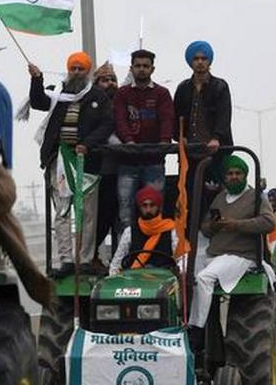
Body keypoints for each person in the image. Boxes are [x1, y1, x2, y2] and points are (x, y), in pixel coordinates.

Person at [23, 52, 114, 276]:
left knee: (87, 213)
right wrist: (37, 80)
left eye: (80, 69)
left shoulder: (97, 97)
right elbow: (38, 102)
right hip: (60, 161)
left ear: (87, 71)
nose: (76, 72)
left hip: (87, 163)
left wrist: (87, 144)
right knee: (62, 211)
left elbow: (107, 124)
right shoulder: (58, 93)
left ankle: (84, 259)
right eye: (73, 68)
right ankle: (66, 259)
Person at [188, 155, 275, 349]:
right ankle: (180, 323)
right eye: (230, 174)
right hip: (215, 253)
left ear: (245, 176)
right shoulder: (220, 197)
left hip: (240, 255)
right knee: (184, 272)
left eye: (238, 173)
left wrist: (236, 225)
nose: (234, 177)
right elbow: (205, 228)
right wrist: (214, 225)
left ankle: (196, 331)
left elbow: (269, 222)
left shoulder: (255, 198)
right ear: (224, 177)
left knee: (204, 278)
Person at [113, 49, 174, 239]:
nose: (141, 70)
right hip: (128, 161)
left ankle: (156, 251)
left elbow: (167, 119)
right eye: (137, 66)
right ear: (131, 68)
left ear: (152, 69)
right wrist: (129, 140)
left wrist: (164, 141)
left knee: (154, 208)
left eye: (145, 66)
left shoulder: (161, 93)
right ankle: (126, 254)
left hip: (154, 160)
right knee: (125, 210)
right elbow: (120, 120)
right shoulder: (122, 94)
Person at [174, 41, 233, 202]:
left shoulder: (220, 86)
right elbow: (176, 116)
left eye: (204, 58)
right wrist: (180, 137)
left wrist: (216, 138)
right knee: (189, 194)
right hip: (190, 153)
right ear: (190, 62)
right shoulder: (183, 88)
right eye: (196, 58)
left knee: (215, 195)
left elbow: (224, 115)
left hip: (214, 152)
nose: (200, 62)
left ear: (209, 61)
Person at [109, 186, 178, 276]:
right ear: (140, 207)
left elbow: (181, 259)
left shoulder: (171, 230)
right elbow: (117, 262)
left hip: (163, 279)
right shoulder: (130, 232)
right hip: (134, 279)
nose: (148, 210)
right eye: (144, 206)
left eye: (152, 205)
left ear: (158, 207)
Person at [93, 62, 121, 271]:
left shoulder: (122, 102)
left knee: (124, 219)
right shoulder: (92, 103)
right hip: (98, 172)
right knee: (99, 218)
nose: (110, 83)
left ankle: (123, 259)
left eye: (113, 79)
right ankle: (91, 256)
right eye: (105, 80)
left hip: (123, 170)